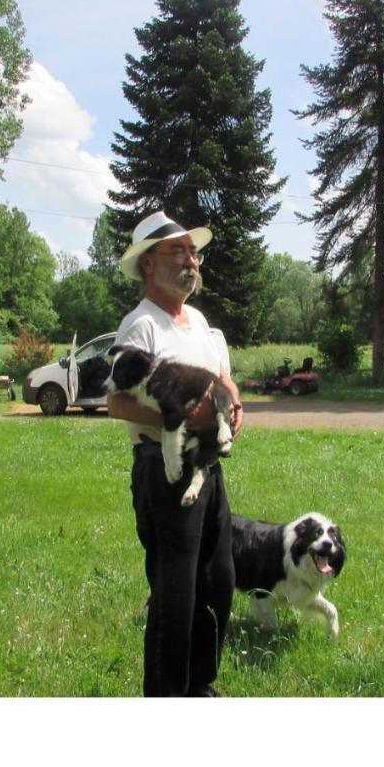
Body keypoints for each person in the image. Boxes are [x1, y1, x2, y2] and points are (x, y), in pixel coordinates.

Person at [107, 211, 244, 696]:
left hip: (206, 469)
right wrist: (185, 420)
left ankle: (200, 688)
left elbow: (222, 375)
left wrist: (232, 398)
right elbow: (117, 402)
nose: (192, 260)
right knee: (174, 598)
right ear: (148, 265)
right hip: (163, 473)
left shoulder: (200, 321)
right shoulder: (139, 325)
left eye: (193, 252)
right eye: (178, 251)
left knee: (218, 582)